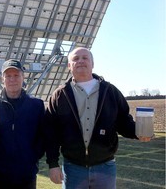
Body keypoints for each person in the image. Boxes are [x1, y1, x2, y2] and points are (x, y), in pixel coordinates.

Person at [44, 47, 152, 189]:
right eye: (75, 59)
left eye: (85, 58)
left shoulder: (110, 91)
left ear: (93, 64)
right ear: (69, 66)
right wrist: (53, 164)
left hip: (105, 167)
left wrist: (138, 132)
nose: (80, 61)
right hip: (73, 167)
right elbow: (51, 132)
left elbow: (123, 121)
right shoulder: (59, 95)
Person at [0, 59, 45, 189]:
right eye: (8, 76)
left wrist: (33, 156)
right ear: (2, 79)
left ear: (23, 77)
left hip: (26, 173)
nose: (12, 79)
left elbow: (43, 135)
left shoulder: (36, 105)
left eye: (16, 75)